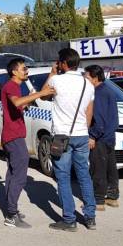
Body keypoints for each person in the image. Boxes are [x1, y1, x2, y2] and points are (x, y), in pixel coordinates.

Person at [42, 48, 97, 232]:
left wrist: (51, 73)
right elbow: (89, 111)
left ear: (63, 63)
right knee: (84, 175)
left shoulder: (56, 80)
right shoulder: (87, 84)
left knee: (63, 178)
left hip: (62, 136)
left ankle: (69, 219)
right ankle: (90, 217)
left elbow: (42, 94)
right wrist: (86, 131)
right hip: (81, 134)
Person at [1, 58, 56, 228]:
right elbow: (17, 102)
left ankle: (11, 209)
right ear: (14, 72)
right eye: (24, 68)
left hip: (13, 136)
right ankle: (11, 215)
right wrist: (38, 94)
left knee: (12, 174)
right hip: (13, 137)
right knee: (19, 176)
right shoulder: (11, 86)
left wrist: (52, 75)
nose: (26, 71)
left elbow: (21, 104)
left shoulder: (17, 86)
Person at [84, 64, 120, 210]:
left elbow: (99, 119)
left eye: (86, 77)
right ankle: (112, 197)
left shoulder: (98, 93)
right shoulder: (108, 90)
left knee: (98, 168)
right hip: (110, 137)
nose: (84, 79)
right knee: (111, 168)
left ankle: (98, 201)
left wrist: (92, 136)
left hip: (100, 138)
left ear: (95, 78)